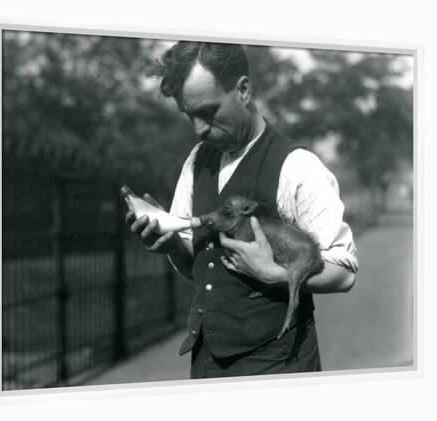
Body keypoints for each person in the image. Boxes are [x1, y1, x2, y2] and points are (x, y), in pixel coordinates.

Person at [126, 41, 358, 379]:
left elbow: (345, 271)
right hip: (206, 363)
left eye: (208, 112)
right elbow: (201, 266)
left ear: (244, 90)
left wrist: (276, 275)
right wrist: (171, 242)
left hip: (277, 367)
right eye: (189, 115)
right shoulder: (198, 161)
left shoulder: (297, 167)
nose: (199, 129)